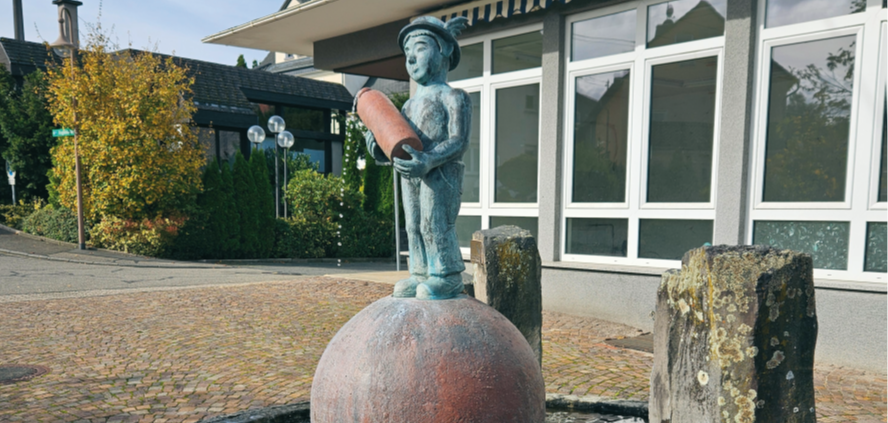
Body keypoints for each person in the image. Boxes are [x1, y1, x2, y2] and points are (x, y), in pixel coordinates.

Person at [365, 16, 472, 300]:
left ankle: (446, 275)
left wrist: (430, 159)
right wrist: (377, 143)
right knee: (412, 224)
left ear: (445, 50)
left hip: (440, 173)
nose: (411, 57)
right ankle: (421, 272)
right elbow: (395, 138)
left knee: (434, 222)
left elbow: (459, 140)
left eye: (420, 47)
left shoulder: (453, 96)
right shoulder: (409, 104)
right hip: (410, 173)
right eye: (407, 52)